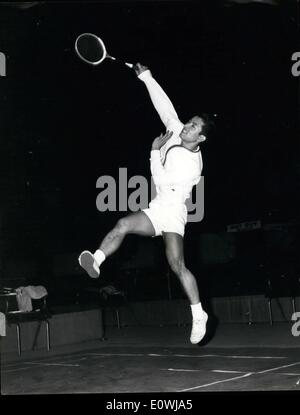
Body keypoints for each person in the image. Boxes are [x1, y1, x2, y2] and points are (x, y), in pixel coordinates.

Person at [79, 63, 215, 344]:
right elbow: (165, 108)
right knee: (122, 224)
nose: (186, 127)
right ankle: (97, 260)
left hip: (173, 211)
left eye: (193, 127)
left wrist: (153, 151)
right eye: (189, 122)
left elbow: (163, 181)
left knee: (177, 264)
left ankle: (198, 313)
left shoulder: (191, 165)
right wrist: (147, 78)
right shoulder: (179, 131)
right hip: (157, 206)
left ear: (201, 138)